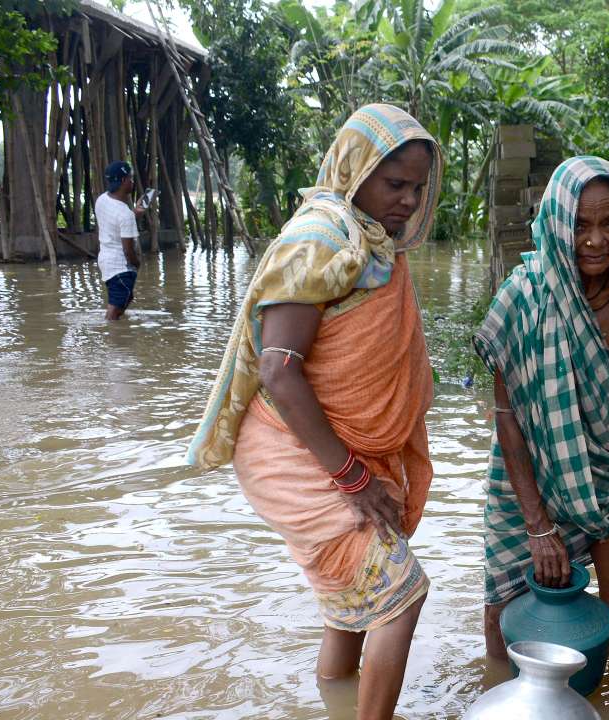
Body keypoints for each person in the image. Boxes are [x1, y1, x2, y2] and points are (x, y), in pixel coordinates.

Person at [187, 104, 443, 720]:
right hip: (291, 448)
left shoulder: (373, 244)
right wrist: (351, 477)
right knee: (401, 593)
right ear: (356, 171)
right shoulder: (320, 239)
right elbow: (278, 369)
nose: (406, 200)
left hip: (328, 446)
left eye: (416, 187)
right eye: (393, 183)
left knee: (352, 598)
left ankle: (334, 701)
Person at [474, 156, 609, 662]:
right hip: (530, 482)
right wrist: (538, 527)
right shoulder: (523, 297)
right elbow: (508, 419)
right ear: (556, 223)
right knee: (503, 626)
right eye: (580, 224)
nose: (595, 239)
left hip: (605, 482)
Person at [95, 161, 144, 321]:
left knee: (126, 298)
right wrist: (136, 264)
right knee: (115, 310)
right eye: (130, 178)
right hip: (120, 266)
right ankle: (112, 340)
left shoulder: (101, 200)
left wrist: (134, 213)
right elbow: (128, 250)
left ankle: (115, 333)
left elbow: (115, 223)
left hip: (106, 262)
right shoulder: (125, 214)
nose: (132, 182)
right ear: (123, 181)